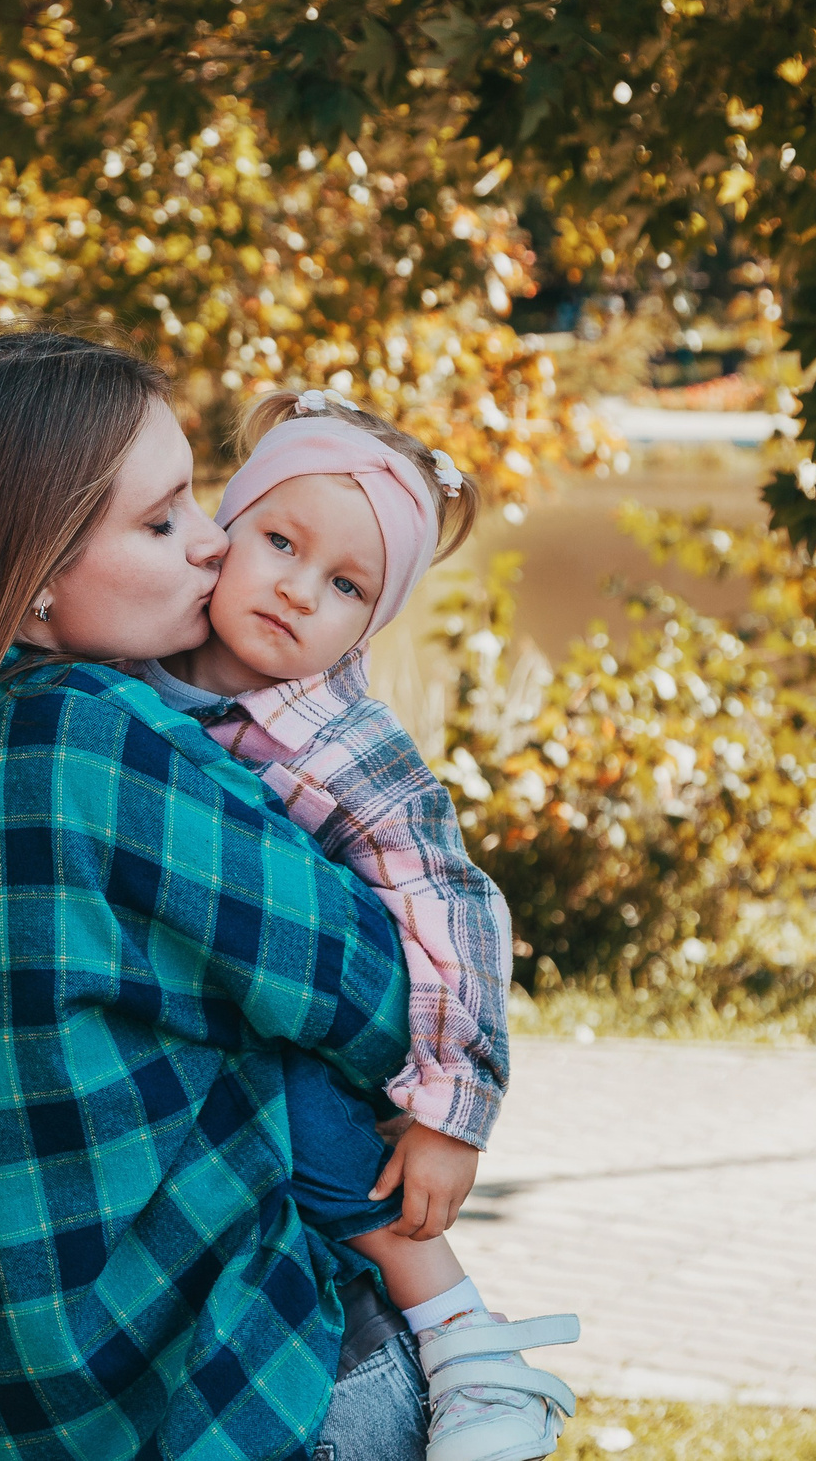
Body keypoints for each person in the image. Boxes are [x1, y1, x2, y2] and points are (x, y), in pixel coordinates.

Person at [0, 330, 430, 1461]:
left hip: (0, 1415)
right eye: (163, 519)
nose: (213, 548)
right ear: (34, 574)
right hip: (246, 1388)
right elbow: (380, 999)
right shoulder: (97, 742)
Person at [137, 389, 580, 1461]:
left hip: (323, 1046)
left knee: (322, 1142)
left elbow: (454, 905)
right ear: (220, 535)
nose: (297, 591)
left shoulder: (342, 738)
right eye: (279, 543)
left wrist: (450, 1109)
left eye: (345, 586)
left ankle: (468, 1347)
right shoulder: (130, 671)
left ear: (371, 624)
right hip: (203, 1019)